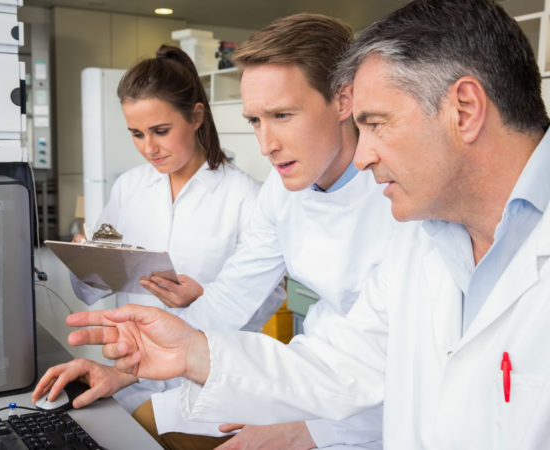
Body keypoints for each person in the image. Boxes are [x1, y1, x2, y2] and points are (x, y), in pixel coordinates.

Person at [63, 0, 550, 448]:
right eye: (255, 120)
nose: (364, 152)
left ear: (464, 109)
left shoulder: (413, 212)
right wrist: (182, 352)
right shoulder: (429, 234)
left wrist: (310, 431)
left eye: (376, 123)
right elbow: (346, 359)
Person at [33, 14, 399, 450]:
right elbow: (229, 299)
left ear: (344, 101)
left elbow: (389, 364)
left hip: (374, 409)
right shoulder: (281, 196)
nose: (266, 145)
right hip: (313, 380)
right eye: (255, 122)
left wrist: (317, 432)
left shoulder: (399, 200)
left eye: (282, 115)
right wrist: (129, 368)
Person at [65, 45, 279, 415]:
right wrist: (86, 261)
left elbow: (269, 296)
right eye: (136, 134)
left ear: (196, 117)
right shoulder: (129, 188)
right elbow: (90, 290)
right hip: (130, 377)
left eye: (160, 131)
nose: (149, 148)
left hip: (208, 388)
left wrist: (203, 297)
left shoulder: (245, 197)